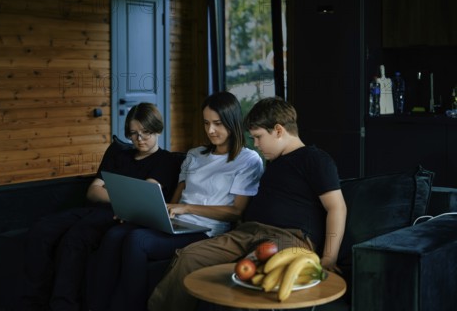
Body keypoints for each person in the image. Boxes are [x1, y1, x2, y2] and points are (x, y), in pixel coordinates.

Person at [147, 96, 347, 311]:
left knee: (253, 275)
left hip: (288, 238)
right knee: (188, 256)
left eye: (259, 137)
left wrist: (328, 257)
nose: (257, 145)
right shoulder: (275, 163)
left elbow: (336, 207)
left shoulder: (315, 159)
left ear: (279, 131)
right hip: (245, 233)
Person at [87, 91, 264, 311]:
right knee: (114, 235)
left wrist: (185, 208)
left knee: (137, 240)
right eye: (206, 123)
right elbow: (175, 197)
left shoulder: (248, 160)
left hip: (205, 230)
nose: (210, 130)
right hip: (177, 223)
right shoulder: (195, 154)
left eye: (217, 123)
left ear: (232, 122)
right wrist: (151, 213)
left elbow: (236, 212)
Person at [20, 103, 181, 311]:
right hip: (95, 209)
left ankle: (63, 306)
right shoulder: (119, 155)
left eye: (146, 133)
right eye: (133, 134)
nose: (139, 139)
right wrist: (123, 197)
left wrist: (114, 195)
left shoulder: (165, 161)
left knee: (75, 238)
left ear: (158, 130)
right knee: (41, 229)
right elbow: (93, 191)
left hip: (119, 217)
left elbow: (142, 199)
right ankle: (32, 304)